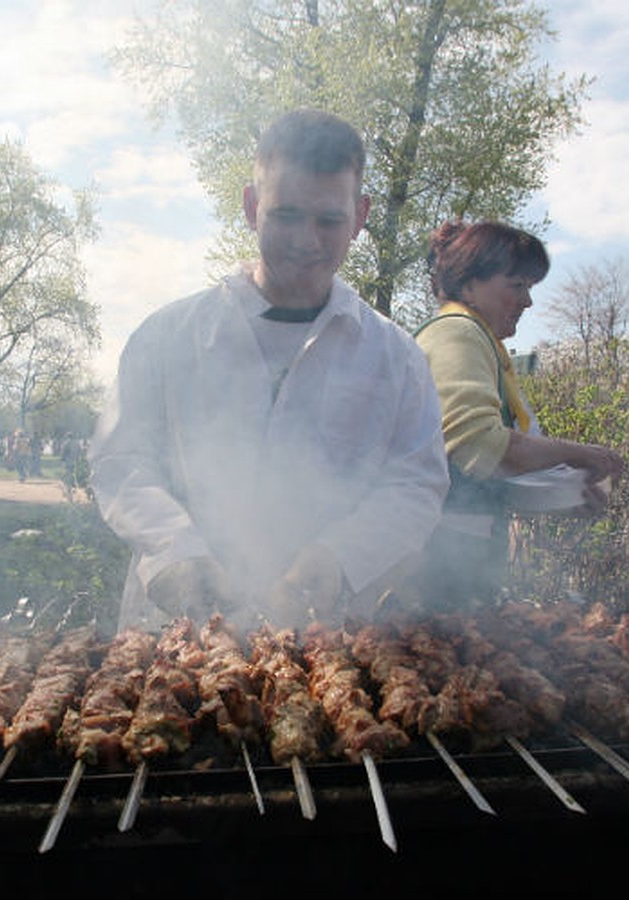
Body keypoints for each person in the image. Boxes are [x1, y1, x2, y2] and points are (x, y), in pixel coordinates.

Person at [89, 108, 449, 632]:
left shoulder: (396, 358)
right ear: (251, 206)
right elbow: (121, 461)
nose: (307, 240)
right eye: (286, 215)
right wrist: (175, 552)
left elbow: (415, 482)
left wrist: (341, 556)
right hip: (173, 636)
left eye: (329, 221)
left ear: (362, 215)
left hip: (322, 641)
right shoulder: (166, 337)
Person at [410, 220, 624, 609]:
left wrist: (564, 499)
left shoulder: (481, 342)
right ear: (470, 283)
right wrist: (580, 453)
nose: (528, 302)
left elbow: (473, 474)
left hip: (460, 567)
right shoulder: (457, 333)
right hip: (432, 576)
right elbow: (479, 447)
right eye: (517, 286)